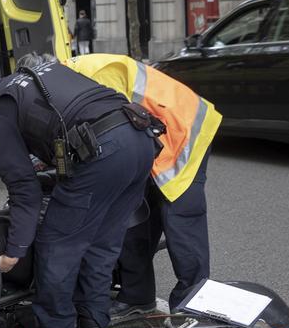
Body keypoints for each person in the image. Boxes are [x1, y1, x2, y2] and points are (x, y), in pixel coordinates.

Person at [0, 54, 157, 328]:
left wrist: (14, 251)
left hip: (102, 151)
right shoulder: (33, 76)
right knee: (101, 246)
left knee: (55, 245)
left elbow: (25, 189)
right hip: (141, 139)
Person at [65, 53, 221, 314]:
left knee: (180, 218)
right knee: (132, 214)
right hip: (152, 135)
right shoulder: (73, 75)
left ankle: (193, 306)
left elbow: (110, 133)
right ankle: (138, 295)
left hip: (181, 129)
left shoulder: (91, 75)